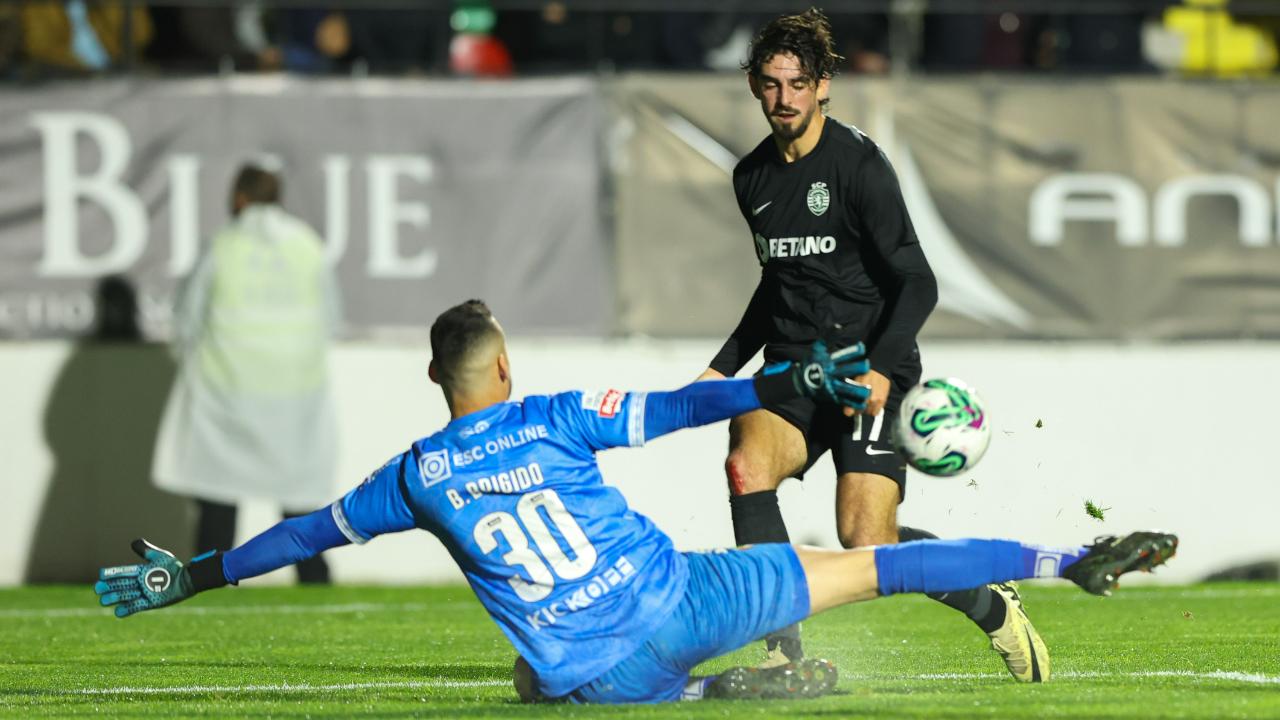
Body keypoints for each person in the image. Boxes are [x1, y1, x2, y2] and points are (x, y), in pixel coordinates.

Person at [98, 300, 1178, 704]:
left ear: (441, 383)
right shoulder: (556, 414)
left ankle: (706, 701)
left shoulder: (416, 475)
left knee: (536, 681)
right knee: (876, 565)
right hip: (692, 597)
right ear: (506, 367)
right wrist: (782, 383)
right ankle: (1058, 565)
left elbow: (299, 532)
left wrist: (188, 574)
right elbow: (678, 404)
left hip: (599, 675)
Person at [694, 8, 1051, 680]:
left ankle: (987, 599)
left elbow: (917, 281)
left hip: (869, 371)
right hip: (798, 371)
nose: (784, 99)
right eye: (771, 84)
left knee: (867, 541)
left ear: (823, 85)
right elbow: (778, 286)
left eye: (798, 84)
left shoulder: (859, 166)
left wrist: (886, 370)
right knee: (747, 465)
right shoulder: (752, 179)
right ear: (752, 86)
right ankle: (782, 654)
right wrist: (721, 368)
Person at [152, 164, 341, 584]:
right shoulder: (307, 245)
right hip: (295, 396)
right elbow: (331, 317)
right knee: (300, 500)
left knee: (218, 498)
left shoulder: (222, 244)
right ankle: (315, 580)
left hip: (227, 395)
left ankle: (204, 581)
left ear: (239, 197)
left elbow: (186, 319)